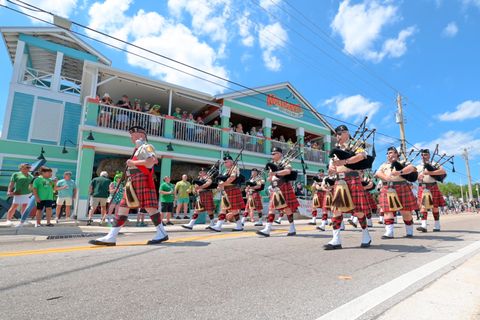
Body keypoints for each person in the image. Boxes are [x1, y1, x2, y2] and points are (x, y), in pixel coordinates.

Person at [89, 126, 168, 246]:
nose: (132, 138)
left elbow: (152, 161)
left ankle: (162, 233)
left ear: (142, 136)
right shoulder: (137, 149)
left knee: (150, 208)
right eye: (132, 136)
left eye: (134, 136)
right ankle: (111, 236)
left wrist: (133, 162)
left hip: (142, 179)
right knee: (123, 208)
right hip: (132, 181)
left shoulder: (146, 146)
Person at [325, 125, 372, 250]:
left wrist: (344, 161)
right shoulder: (335, 150)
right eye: (336, 134)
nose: (337, 136)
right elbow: (331, 169)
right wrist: (330, 169)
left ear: (346, 133)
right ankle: (336, 239)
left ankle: (366, 234)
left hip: (352, 179)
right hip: (339, 181)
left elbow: (362, 156)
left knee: (358, 211)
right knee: (336, 209)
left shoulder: (355, 144)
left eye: (339, 133)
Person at [375, 147, 418, 238]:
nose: (389, 155)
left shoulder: (403, 162)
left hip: (402, 186)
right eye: (388, 153)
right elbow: (378, 173)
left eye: (391, 152)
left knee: (405, 211)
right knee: (387, 210)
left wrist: (400, 172)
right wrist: (386, 177)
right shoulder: (384, 165)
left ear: (397, 154)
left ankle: (409, 231)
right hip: (387, 187)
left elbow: (412, 168)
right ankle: (389, 232)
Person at [257, 147, 300, 237]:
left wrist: (276, 173)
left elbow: (288, 171)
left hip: (283, 186)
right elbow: (270, 178)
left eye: (274, 153)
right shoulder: (273, 164)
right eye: (272, 153)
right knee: (271, 208)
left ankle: (292, 228)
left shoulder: (285, 161)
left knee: (287, 209)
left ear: (280, 154)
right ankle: (267, 229)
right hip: (275, 187)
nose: (272, 155)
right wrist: (270, 177)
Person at [208, 155, 245, 232]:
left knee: (233, 210)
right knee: (224, 209)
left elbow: (232, 178)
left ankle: (238, 225)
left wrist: (223, 184)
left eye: (226, 162)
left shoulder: (235, 168)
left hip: (232, 189)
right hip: (226, 191)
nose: (225, 163)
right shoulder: (226, 170)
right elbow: (223, 181)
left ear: (231, 162)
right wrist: (220, 185)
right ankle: (219, 225)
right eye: (224, 162)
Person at [416, 149, 447, 232]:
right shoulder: (418, 166)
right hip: (422, 187)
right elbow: (415, 177)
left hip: (432, 186)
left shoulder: (435, 164)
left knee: (435, 206)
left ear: (429, 155)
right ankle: (424, 226)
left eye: (425, 154)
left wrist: (429, 172)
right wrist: (418, 177)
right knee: (423, 206)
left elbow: (443, 171)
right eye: (422, 155)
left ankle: (437, 225)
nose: (423, 156)